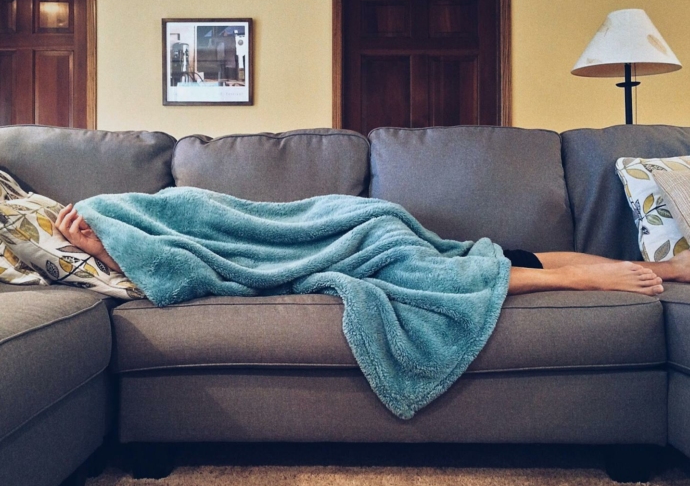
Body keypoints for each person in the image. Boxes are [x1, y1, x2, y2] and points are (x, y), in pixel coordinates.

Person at [55, 202, 688, 298]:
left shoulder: (136, 205)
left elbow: (209, 228)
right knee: (485, 255)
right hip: (367, 226)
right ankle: (663, 268)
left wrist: (110, 238)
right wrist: (109, 248)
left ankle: (589, 278)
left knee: (445, 271)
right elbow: (195, 264)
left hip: (359, 226)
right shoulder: (120, 222)